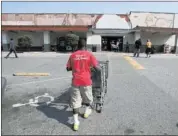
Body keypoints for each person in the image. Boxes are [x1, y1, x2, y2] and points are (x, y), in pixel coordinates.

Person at [66, 38, 101, 131]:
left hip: (75, 81)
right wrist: (92, 67)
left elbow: (68, 68)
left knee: (75, 101)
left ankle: (76, 122)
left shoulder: (72, 55)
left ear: (77, 45)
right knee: (88, 97)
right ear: (85, 46)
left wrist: (76, 66)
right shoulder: (89, 54)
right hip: (86, 81)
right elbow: (98, 69)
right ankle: (86, 111)